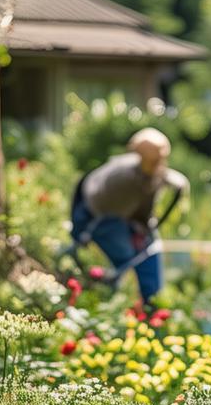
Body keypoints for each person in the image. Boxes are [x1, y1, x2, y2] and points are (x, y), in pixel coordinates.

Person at [69, 128, 187, 304]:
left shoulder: (148, 171)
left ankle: (153, 307)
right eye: (156, 160)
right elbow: (135, 214)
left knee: (150, 255)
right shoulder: (123, 180)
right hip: (100, 219)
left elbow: (158, 179)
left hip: (121, 217)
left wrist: (178, 183)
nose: (160, 164)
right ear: (141, 157)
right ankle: (111, 301)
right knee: (127, 258)